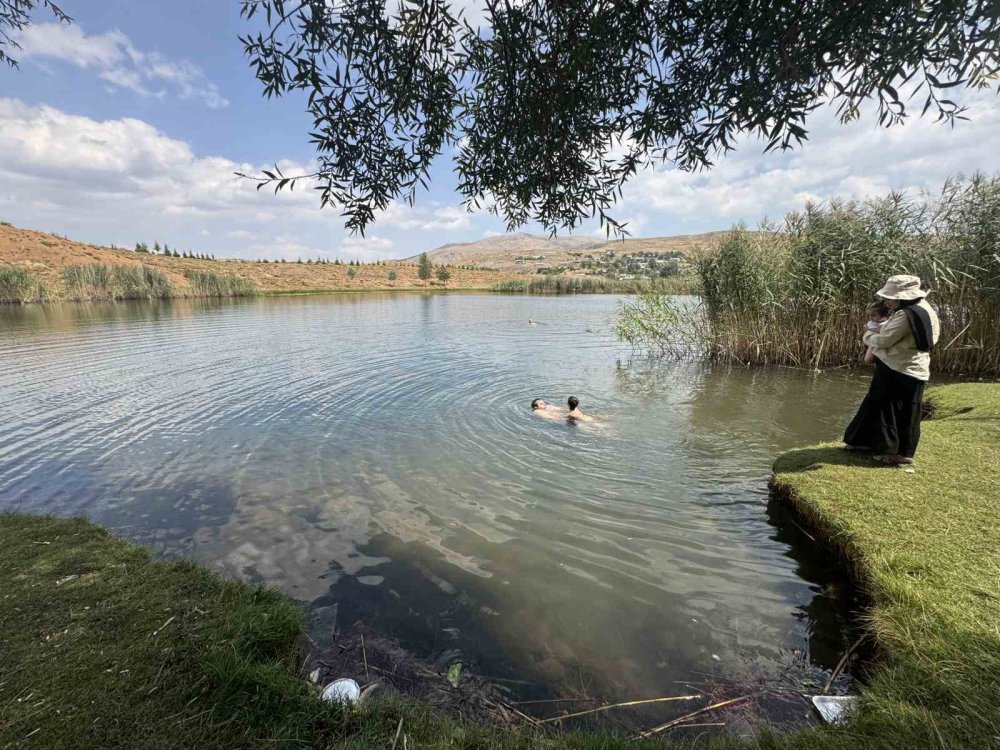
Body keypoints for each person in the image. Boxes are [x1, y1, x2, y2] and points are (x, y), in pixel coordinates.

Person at [843, 275, 940, 465]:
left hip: (901, 368)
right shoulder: (926, 309)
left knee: (898, 413)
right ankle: (864, 443)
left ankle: (901, 454)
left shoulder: (906, 315)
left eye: (890, 297)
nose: (886, 301)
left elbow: (884, 340)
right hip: (906, 366)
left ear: (902, 297)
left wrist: (868, 335)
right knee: (878, 405)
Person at [863, 300, 890, 364]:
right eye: (869, 315)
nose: (870, 318)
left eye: (873, 315)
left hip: (881, 344)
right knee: (868, 358)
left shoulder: (887, 321)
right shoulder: (871, 323)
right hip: (874, 343)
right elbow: (874, 330)